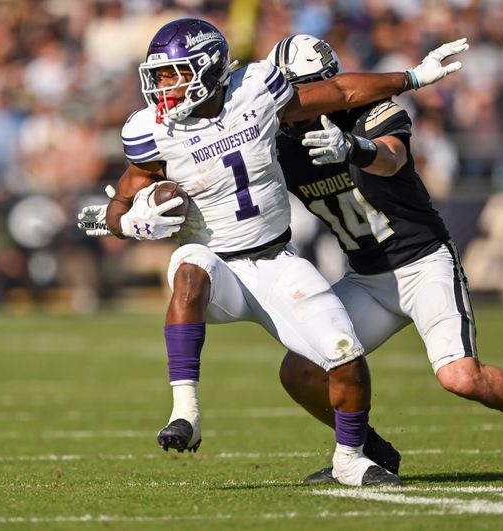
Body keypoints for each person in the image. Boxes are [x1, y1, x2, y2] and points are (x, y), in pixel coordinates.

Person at [78, 18, 468, 487]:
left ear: (206, 67)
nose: (162, 87)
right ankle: (186, 411)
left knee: (344, 354)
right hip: (217, 263)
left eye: (173, 73)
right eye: (159, 75)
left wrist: (414, 77)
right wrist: (132, 222)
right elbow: (120, 203)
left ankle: (353, 457)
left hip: (275, 261)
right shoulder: (152, 130)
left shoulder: (257, 87)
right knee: (190, 270)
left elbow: (340, 92)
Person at [267, 34, 503, 482]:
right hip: (366, 276)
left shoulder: (371, 113)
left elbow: (392, 159)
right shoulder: (277, 144)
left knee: (462, 377)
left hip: (422, 263)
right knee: (298, 370)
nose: (284, 105)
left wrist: (352, 149)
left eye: (295, 93)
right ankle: (366, 453)